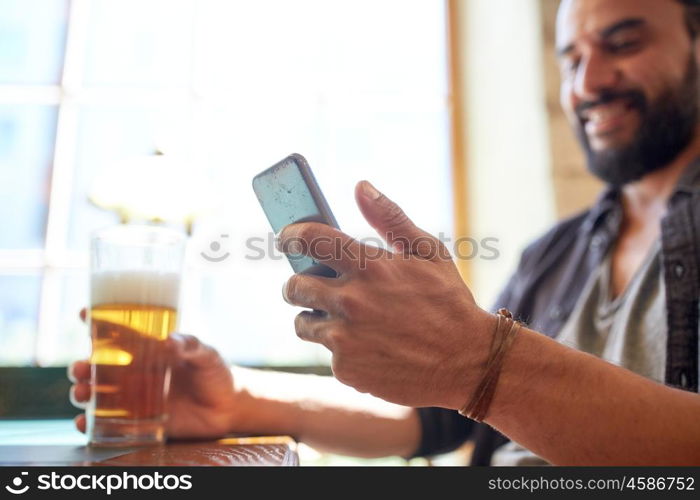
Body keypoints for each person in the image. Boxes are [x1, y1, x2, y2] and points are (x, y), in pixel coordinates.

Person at [69, 0, 700, 465]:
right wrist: (237, 400)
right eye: (571, 59)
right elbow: (442, 419)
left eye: (622, 44)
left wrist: (480, 360)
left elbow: (476, 382)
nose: (586, 83)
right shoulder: (558, 252)